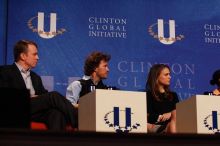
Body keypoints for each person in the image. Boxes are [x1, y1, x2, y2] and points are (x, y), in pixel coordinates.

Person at [0, 40, 77, 130]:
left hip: (34, 112)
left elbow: (44, 98)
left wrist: (38, 98)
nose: (38, 58)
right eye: (34, 54)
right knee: (53, 96)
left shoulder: (35, 77)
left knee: (56, 113)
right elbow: (4, 96)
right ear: (23, 56)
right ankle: (78, 121)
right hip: (15, 109)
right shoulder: (4, 72)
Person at [146, 64, 179, 133]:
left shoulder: (173, 95)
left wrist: (170, 114)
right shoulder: (148, 95)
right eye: (166, 74)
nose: (170, 77)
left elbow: (179, 113)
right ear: (156, 77)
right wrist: (161, 117)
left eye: (169, 74)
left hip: (173, 125)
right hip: (156, 126)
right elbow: (146, 116)